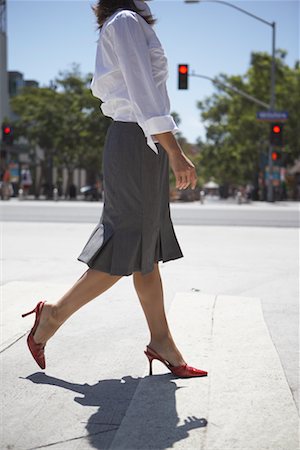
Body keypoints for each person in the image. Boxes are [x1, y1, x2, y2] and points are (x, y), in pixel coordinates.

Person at [21, 0, 208, 378]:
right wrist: (175, 151)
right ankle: (52, 315)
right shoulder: (124, 21)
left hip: (144, 142)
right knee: (126, 246)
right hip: (136, 139)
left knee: (145, 251)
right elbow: (142, 92)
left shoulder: (130, 21)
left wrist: (165, 147)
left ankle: (162, 343)